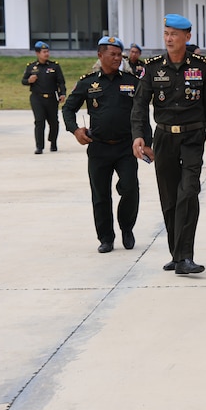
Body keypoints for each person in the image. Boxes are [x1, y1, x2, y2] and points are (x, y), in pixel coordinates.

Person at [130, 14, 206, 275]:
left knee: (188, 193)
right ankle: (176, 255)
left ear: (187, 37)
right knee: (169, 198)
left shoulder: (202, 67)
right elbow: (139, 105)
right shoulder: (153, 66)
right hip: (164, 139)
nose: (169, 38)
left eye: (175, 34)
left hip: (193, 138)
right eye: (166, 33)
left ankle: (186, 256)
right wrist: (140, 137)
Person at [62, 36, 149, 253]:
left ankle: (126, 228)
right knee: (100, 194)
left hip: (126, 147)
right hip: (99, 147)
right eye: (113, 54)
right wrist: (75, 130)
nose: (118, 59)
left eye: (120, 55)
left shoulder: (131, 81)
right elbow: (68, 109)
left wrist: (147, 142)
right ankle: (106, 238)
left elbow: (142, 114)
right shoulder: (88, 82)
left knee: (130, 188)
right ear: (100, 55)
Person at [22, 41, 66, 154]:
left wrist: (62, 94)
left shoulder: (54, 66)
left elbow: (61, 82)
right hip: (37, 98)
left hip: (51, 98)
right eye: (44, 52)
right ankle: (39, 146)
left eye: (47, 51)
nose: (46, 54)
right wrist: (29, 81)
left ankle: (53, 142)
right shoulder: (31, 67)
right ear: (37, 53)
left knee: (53, 122)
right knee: (39, 122)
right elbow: (23, 81)